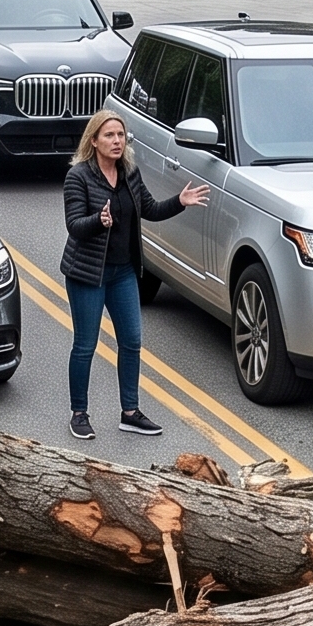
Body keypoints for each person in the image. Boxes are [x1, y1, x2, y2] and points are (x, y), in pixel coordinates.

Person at [60, 108, 208, 441]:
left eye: (121, 135)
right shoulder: (79, 177)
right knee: (85, 345)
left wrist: (179, 202)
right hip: (88, 274)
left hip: (123, 272)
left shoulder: (130, 173)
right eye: (109, 135)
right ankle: (79, 413)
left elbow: (151, 210)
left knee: (132, 341)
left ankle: (130, 412)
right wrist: (99, 221)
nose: (117, 140)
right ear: (94, 140)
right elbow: (74, 226)